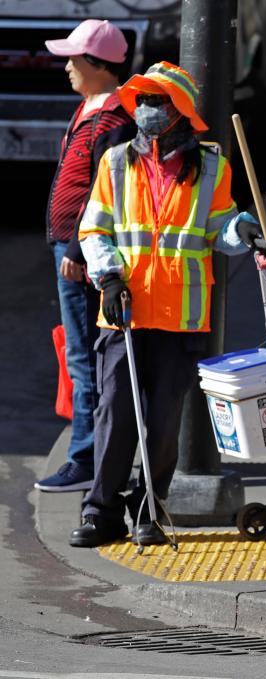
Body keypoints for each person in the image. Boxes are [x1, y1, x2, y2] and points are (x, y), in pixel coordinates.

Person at [69, 62, 263, 548]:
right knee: (114, 414)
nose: (146, 110)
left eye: (157, 102)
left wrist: (242, 229)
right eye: (143, 101)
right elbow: (95, 228)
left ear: (179, 112)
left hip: (180, 316)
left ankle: (148, 511)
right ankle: (101, 512)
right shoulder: (116, 162)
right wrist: (110, 278)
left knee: (162, 424)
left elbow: (219, 226)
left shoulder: (212, 167)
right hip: (124, 313)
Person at [36, 20, 137, 493]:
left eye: (75, 59)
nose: (67, 67)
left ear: (100, 66)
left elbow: (105, 194)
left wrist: (77, 248)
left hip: (80, 253)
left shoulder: (114, 122)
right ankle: (93, 453)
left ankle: (86, 458)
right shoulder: (91, 109)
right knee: (80, 353)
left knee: (85, 357)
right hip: (69, 247)